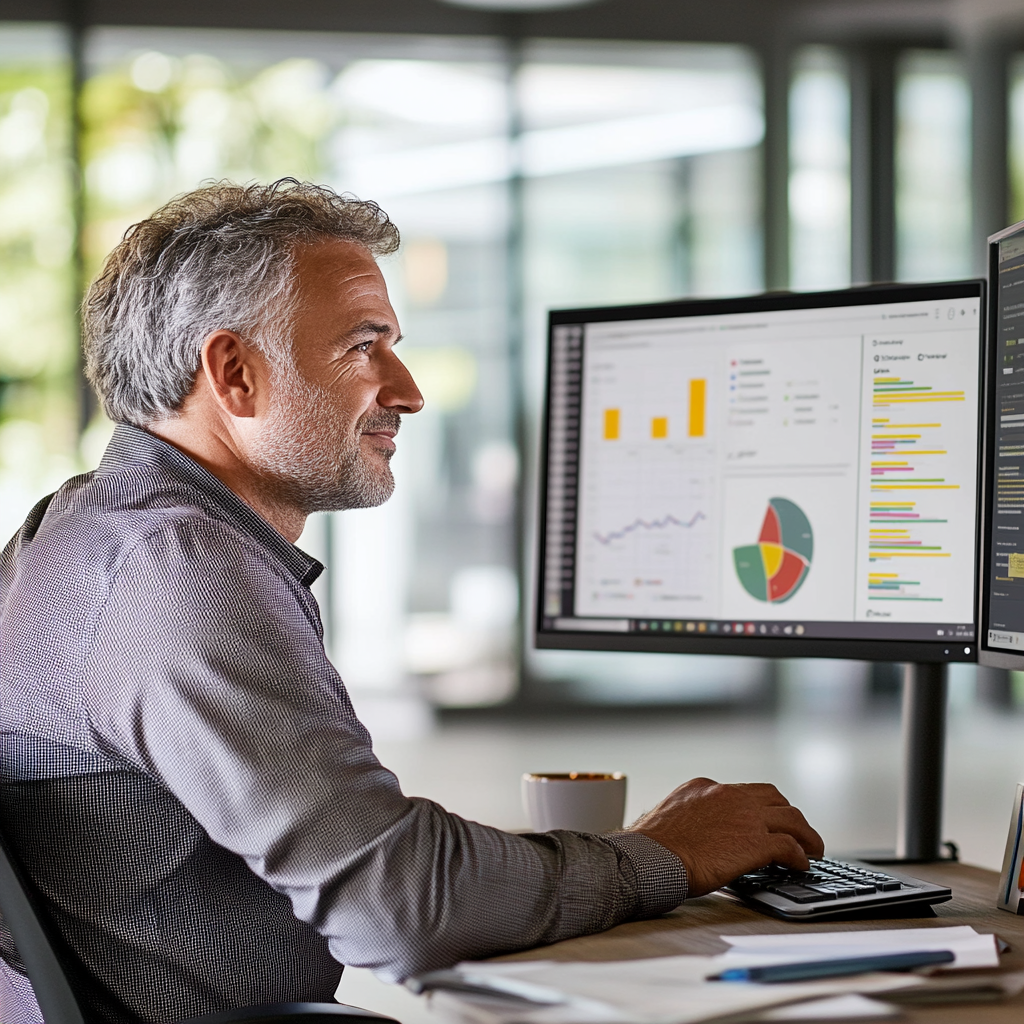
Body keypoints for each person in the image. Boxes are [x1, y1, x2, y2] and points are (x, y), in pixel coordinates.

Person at [0, 179, 823, 1024]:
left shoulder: (68, 533)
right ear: (234, 373)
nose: (408, 390)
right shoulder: (178, 570)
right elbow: (398, 906)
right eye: (364, 346)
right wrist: (662, 856)